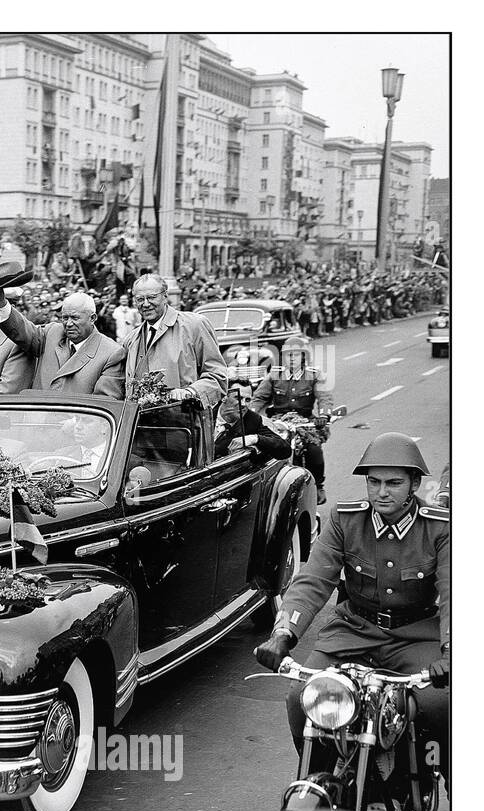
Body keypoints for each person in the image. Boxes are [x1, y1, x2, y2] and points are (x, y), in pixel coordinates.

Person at [254, 433, 449, 783]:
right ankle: (320, 783)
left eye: (393, 483)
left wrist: (451, 652)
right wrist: (284, 633)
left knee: (439, 706)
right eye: (373, 482)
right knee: (303, 700)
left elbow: (454, 595)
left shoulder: (440, 528)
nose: (381, 492)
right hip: (353, 631)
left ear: (414, 484)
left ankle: (445, 781)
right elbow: (313, 579)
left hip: (416, 637)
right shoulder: (346, 519)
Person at [0, 289, 125, 398]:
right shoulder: (52, 332)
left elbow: (104, 402)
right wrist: (1, 304)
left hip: (73, 426)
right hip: (35, 422)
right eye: (65, 318)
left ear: (93, 318)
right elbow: (23, 331)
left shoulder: (111, 353)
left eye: (75, 318)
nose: (68, 324)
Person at [122, 274, 227, 409]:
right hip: (139, 426)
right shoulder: (131, 339)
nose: (146, 304)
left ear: (165, 296)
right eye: (140, 299)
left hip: (183, 424)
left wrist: (190, 392)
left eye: (152, 297)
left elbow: (218, 376)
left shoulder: (194, 325)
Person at [249, 335, 333, 504]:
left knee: (314, 451)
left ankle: (318, 486)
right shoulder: (274, 375)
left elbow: (324, 397)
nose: (292, 358)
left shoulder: (314, 375)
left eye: (296, 354)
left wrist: (324, 415)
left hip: (304, 422)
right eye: (288, 355)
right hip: (279, 422)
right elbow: (259, 398)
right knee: (264, 449)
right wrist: (250, 413)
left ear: (303, 356)